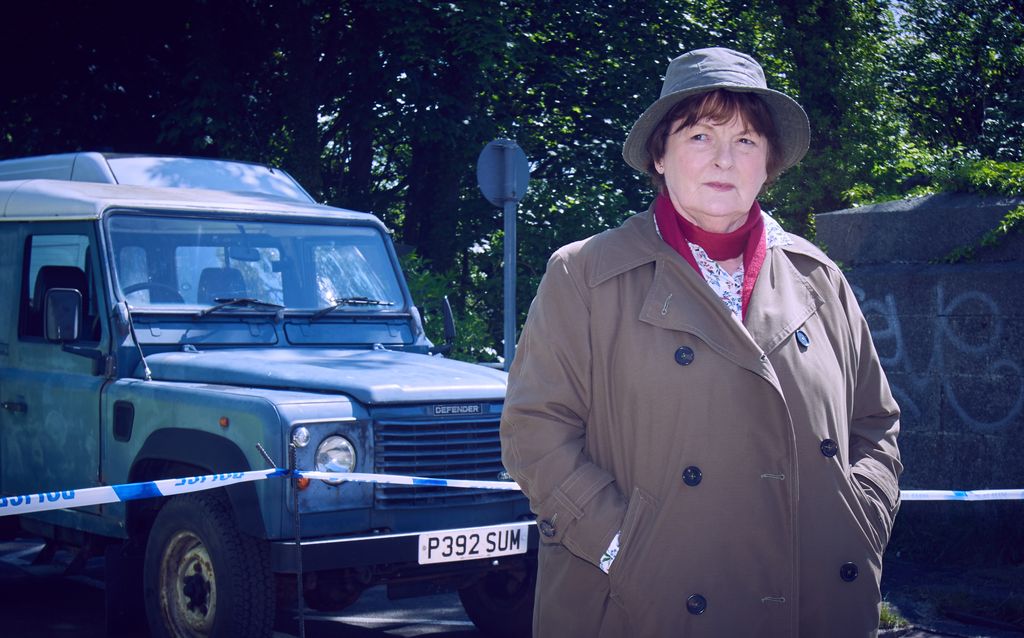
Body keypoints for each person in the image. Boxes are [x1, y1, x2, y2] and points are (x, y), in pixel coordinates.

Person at [500, 47, 902, 637]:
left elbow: (876, 422)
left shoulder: (819, 278)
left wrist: (860, 516)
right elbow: (534, 429)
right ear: (659, 155)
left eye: (745, 141)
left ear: (769, 162)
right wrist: (621, 546)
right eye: (699, 136)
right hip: (643, 602)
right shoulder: (584, 273)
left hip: (811, 599)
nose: (723, 159)